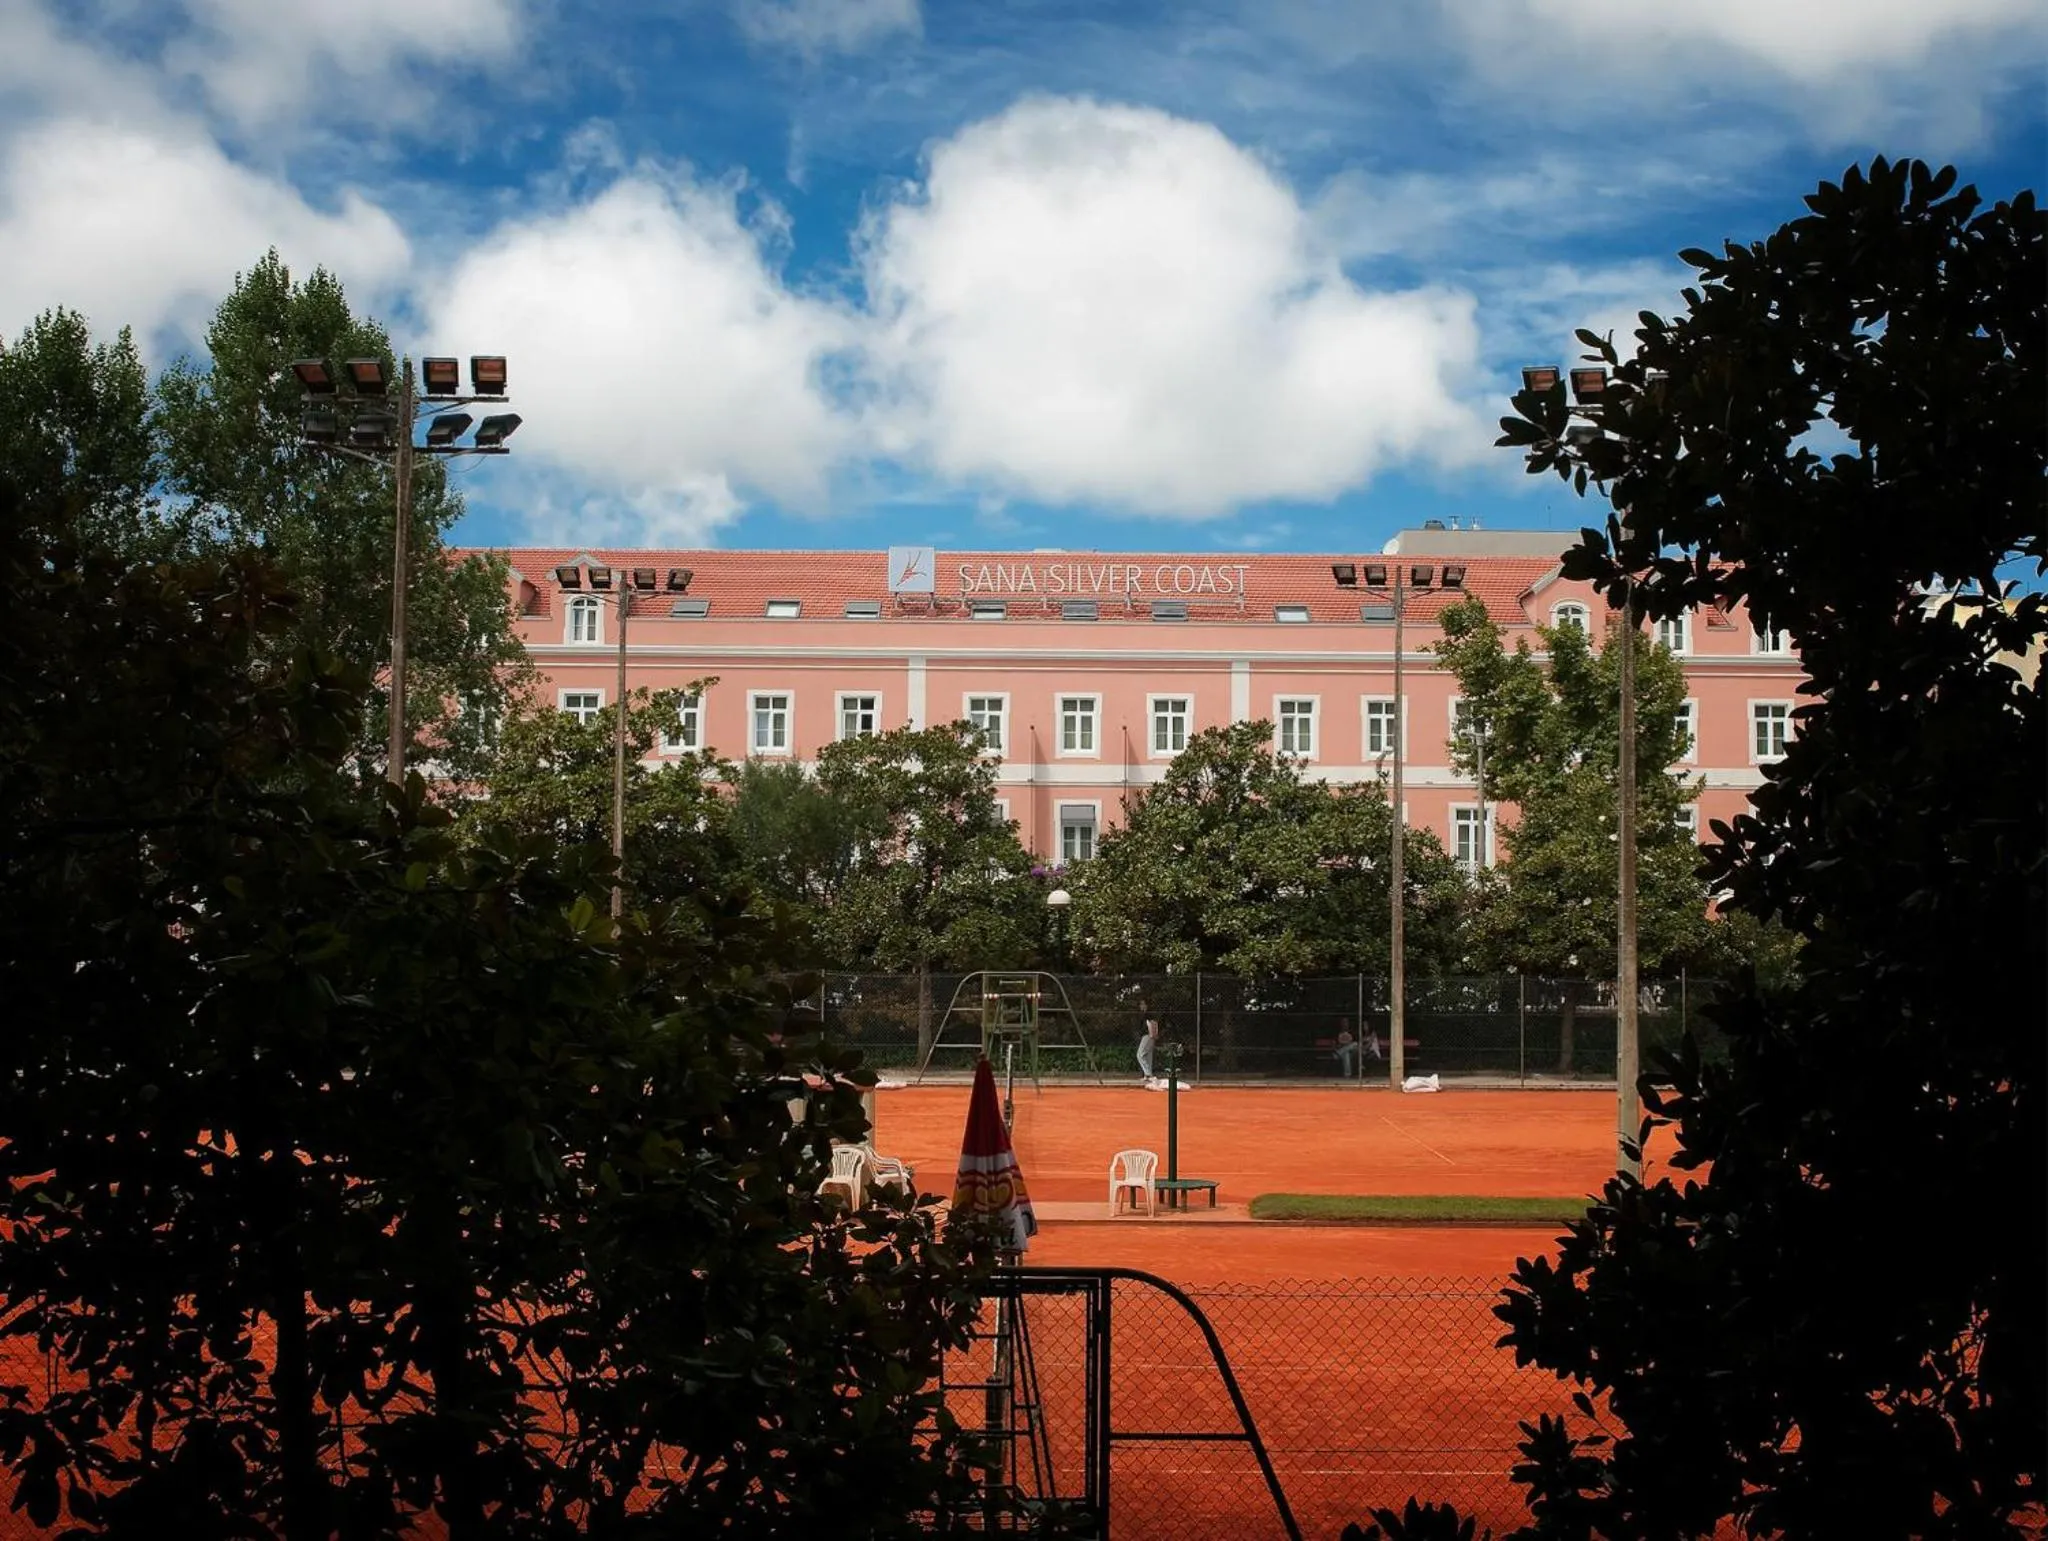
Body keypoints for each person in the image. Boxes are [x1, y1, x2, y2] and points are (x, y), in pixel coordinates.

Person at [1136, 1001, 1160, 1084]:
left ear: (1147, 1005)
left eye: (1143, 1004)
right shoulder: (1144, 1014)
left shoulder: (1148, 1014)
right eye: (1141, 1004)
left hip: (1148, 1036)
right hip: (1148, 1036)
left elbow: (1153, 1024)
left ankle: (1149, 1075)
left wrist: (1152, 1035)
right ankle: (1147, 1076)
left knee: (1140, 1055)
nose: (1141, 1006)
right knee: (1148, 1055)